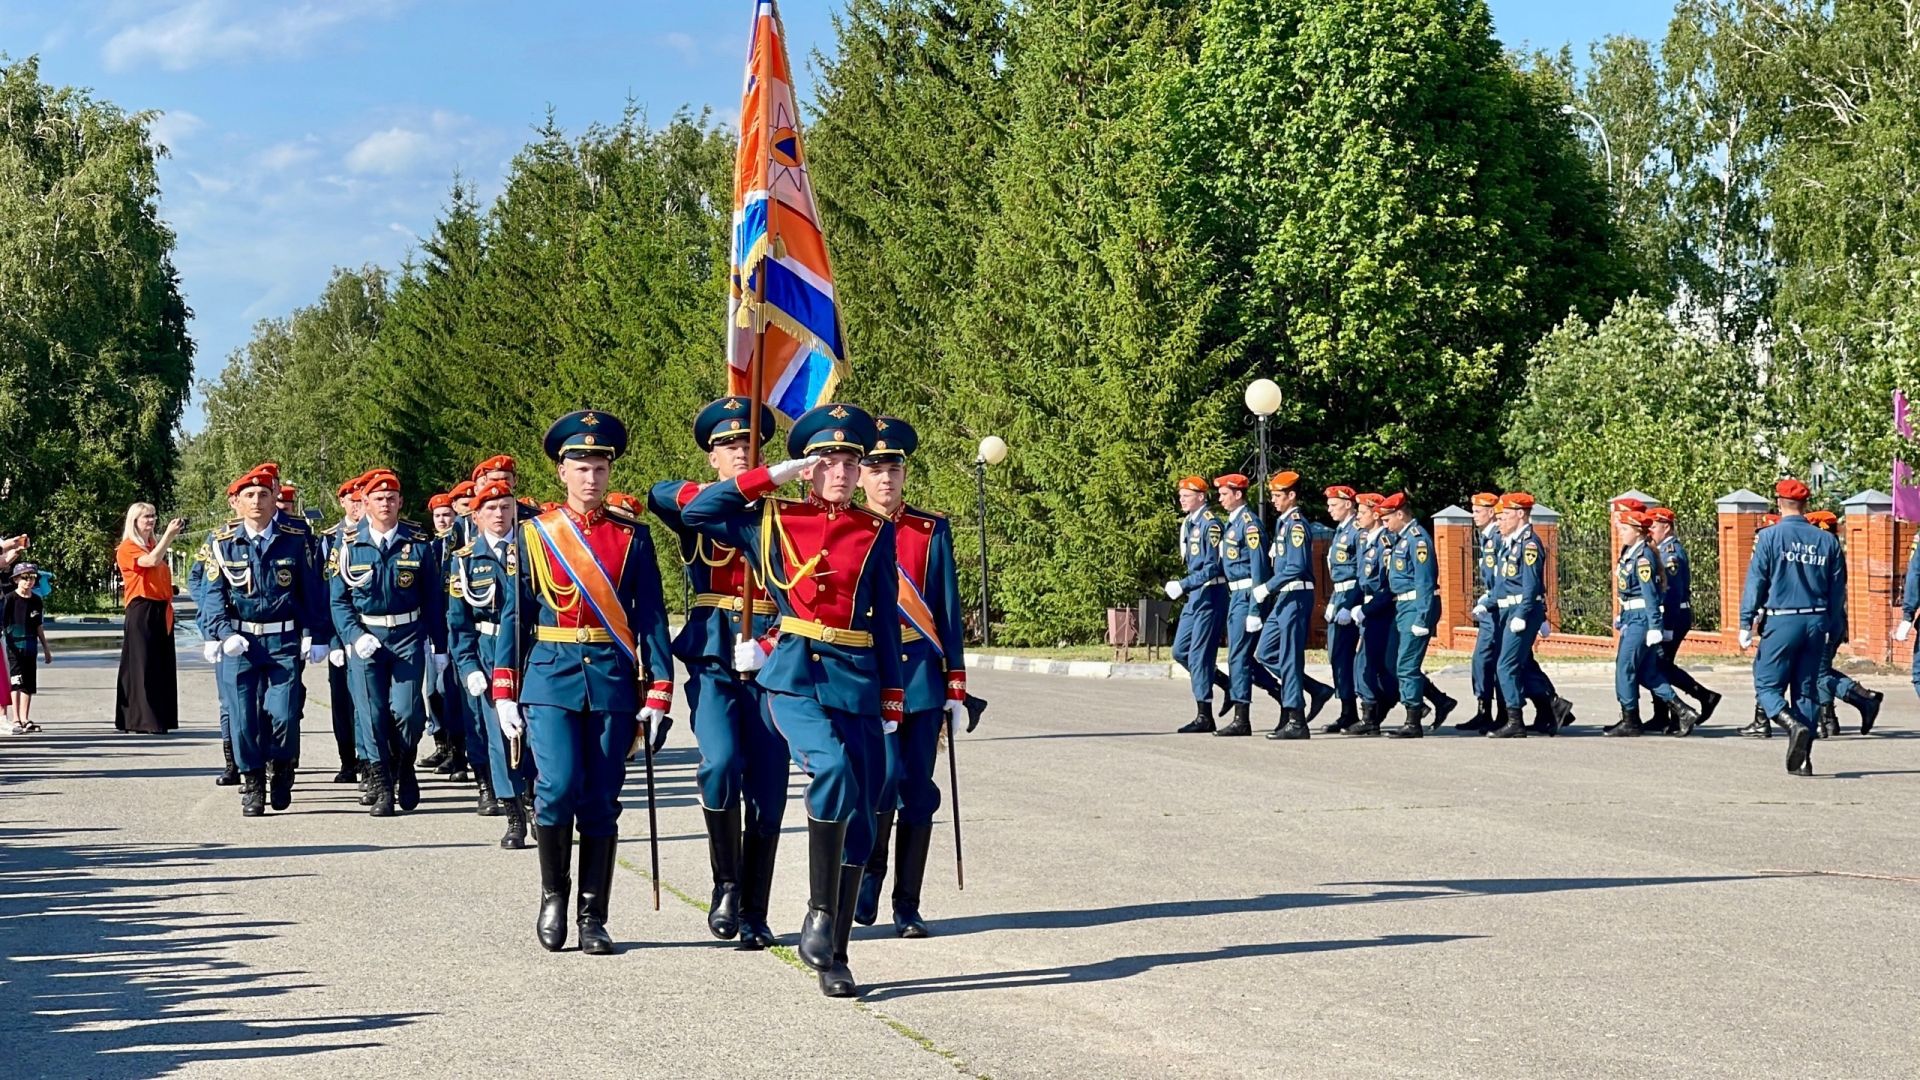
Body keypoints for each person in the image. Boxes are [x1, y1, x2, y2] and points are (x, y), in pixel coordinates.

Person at [683, 402, 902, 998]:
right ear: (811, 466)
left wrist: (892, 698)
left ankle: (836, 955)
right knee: (828, 770)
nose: (840, 469)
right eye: (828, 459)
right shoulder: (771, 520)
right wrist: (773, 474)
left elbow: (884, 619)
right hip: (795, 676)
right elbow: (702, 510)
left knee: (862, 815)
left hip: (856, 678)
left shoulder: (876, 530)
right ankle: (819, 913)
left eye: (849, 460)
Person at [491, 411, 674, 957]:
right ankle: (554, 895)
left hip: (614, 679)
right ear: (561, 473)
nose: (591, 477)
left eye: (599, 466)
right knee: (558, 785)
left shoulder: (632, 538)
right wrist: (505, 688)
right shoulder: (534, 535)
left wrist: (659, 689)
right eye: (580, 467)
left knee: (601, 797)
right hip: (550, 676)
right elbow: (515, 615)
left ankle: (594, 914)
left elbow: (652, 619)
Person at [648, 395, 788, 947]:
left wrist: (771, 642)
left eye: (747, 445)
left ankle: (756, 909)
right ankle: (726, 885)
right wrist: (740, 490)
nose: (738, 453)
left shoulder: (782, 516)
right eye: (728, 446)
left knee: (771, 788)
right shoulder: (702, 510)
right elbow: (662, 497)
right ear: (712, 458)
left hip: (771, 656)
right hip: (713, 655)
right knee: (722, 763)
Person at [852, 416, 970, 938]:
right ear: (858, 475)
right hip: (866, 674)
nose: (885, 478)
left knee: (915, 789)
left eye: (893, 468)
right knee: (876, 785)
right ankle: (869, 875)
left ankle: (908, 904)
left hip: (920, 675)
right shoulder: (845, 526)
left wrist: (955, 682)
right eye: (875, 469)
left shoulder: (929, 529)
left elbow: (947, 608)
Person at [200, 464, 331, 816]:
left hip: (283, 641)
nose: (256, 501)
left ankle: (283, 767)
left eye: (263, 495)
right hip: (240, 643)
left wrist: (317, 634)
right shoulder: (222, 543)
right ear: (236, 504)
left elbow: (312, 590)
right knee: (243, 719)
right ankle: (254, 782)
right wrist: (222, 633)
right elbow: (212, 594)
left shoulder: (295, 537)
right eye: (249, 496)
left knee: (284, 714)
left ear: (275, 499)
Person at [329, 469, 449, 816]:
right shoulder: (349, 545)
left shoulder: (417, 543)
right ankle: (382, 784)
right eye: (377, 498)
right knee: (371, 713)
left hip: (408, 637)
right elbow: (338, 599)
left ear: (400, 503)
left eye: (391, 498)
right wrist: (353, 636)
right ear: (365, 503)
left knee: (409, 712)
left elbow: (432, 599)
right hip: (367, 637)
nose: (385, 503)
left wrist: (439, 647)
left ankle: (404, 764)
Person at [448, 478, 533, 847]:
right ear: (477, 516)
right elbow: (458, 621)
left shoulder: (532, 550)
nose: (499, 515)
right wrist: (467, 667)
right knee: (500, 738)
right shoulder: (465, 560)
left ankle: (537, 801)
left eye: (506, 507)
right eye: (491, 509)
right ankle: (513, 813)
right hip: (487, 650)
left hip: (531, 650)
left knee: (535, 732)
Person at [1738, 478, 1843, 776]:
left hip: (1783, 618)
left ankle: (1791, 724)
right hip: (1817, 620)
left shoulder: (1770, 537)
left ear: (1779, 502)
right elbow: (1838, 591)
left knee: (1767, 684)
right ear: (1805, 504)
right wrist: (1832, 627)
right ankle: (1804, 760)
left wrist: (1746, 621)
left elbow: (1757, 581)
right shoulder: (1827, 540)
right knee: (1806, 690)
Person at [1603, 508, 1701, 737]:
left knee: (1625, 668)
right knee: (1648, 672)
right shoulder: (1634, 553)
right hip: (1633, 618)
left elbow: (1650, 596)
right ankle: (1684, 711)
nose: (1621, 532)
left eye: (1625, 529)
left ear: (1638, 531)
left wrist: (1657, 627)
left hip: (1641, 622)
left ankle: (1630, 719)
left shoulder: (1643, 557)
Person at [1252, 471, 1334, 739]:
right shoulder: (1283, 524)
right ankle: (1313, 689)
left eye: (1278, 496)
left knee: (1288, 656)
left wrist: (1268, 586)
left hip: (1296, 595)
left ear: (1292, 496)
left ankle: (1296, 720)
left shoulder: (1297, 524)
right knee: (1265, 652)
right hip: (1285, 597)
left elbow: (1297, 566)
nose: (1274, 501)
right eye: (1273, 495)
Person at [1485, 493, 1570, 738]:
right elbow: (1504, 582)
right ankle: (1552, 707)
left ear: (1520, 514)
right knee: (1521, 664)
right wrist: (1489, 602)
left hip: (1521, 611)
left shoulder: (1529, 544)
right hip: (1507, 609)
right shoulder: (1509, 542)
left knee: (1506, 665)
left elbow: (1531, 584)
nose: (1500, 521)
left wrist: (1523, 614)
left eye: (1505, 516)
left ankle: (1515, 720)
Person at [1214, 474, 1283, 737]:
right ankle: (1283, 695)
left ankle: (1242, 718)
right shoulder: (1232, 524)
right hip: (1237, 597)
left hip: (1247, 596)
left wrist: (1255, 608)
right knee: (1244, 659)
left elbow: (1259, 569)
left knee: (1238, 658)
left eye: (1224, 493)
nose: (1220, 498)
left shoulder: (1249, 524)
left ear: (1238, 494)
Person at [1644, 508, 1724, 733]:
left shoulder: (1671, 554)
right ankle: (1664, 715)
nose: (1650, 531)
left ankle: (1702, 697)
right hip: (1669, 616)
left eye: (1654, 526)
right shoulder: (1659, 550)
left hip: (1675, 616)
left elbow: (1672, 593)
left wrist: (1667, 627)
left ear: (1666, 527)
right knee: (1660, 664)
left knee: (1659, 664)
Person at [1806, 511, 1882, 737]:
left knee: (1817, 673)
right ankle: (1829, 720)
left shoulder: (1822, 555)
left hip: (1825, 621)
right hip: (1833, 620)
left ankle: (1863, 699)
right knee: (1821, 670)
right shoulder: (1832, 552)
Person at [115, 502, 183, 734]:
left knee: (161, 663)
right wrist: (169, 536)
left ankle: (161, 716)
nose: (151, 520)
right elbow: (150, 562)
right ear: (135, 520)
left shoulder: (152, 545)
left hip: (161, 609)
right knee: (142, 664)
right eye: (146, 517)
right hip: (141, 608)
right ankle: (143, 719)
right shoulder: (128, 548)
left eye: (153, 516)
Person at [1168, 477, 1228, 733]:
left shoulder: (1210, 524)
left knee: (1199, 655)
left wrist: (1184, 584)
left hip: (1211, 593)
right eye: (1181, 495)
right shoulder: (1189, 524)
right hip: (1196, 595)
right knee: (1180, 651)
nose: (1182, 499)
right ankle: (1227, 684)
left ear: (1202, 497)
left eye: (1187, 495)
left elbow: (1214, 566)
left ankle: (1205, 715)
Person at [321, 476, 368, 787]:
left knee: (371, 702)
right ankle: (347, 760)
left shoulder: (372, 535)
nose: (356, 506)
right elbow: (325, 593)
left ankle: (370, 761)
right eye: (352, 501)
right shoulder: (329, 539)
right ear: (342, 503)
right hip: (341, 632)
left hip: (375, 632)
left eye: (361, 501)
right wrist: (332, 639)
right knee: (343, 700)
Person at [1378, 494, 1438, 738]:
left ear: (1400, 514)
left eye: (1387, 519)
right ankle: (1421, 706)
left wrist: (1423, 618)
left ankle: (1413, 719)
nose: (1384, 524)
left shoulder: (1417, 540)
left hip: (1415, 605)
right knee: (1393, 661)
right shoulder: (1400, 540)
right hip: (1403, 606)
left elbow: (1425, 581)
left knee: (1407, 665)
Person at [1318, 486, 1363, 733]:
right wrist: (1335, 601)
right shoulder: (1340, 531)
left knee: (1352, 657)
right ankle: (1347, 710)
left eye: (1334, 504)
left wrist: (1347, 604)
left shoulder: (1357, 531)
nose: (1329, 508)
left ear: (1348, 504)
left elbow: (1360, 574)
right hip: (1341, 594)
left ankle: (1359, 710)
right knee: (1337, 656)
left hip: (1354, 597)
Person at [1457, 493, 1503, 733]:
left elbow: (1504, 578)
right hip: (1491, 607)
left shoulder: (1497, 537)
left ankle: (1502, 714)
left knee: (1492, 660)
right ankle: (1485, 711)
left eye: (1477, 510)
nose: (1474, 514)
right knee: (1484, 661)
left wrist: (1489, 600)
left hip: (1497, 609)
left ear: (1491, 512)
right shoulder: (1487, 538)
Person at [5, 563, 50, 734]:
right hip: (14, 645)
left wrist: (46, 648)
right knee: (16, 681)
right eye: (25, 578)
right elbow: (4, 623)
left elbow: (38, 625)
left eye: (32, 578)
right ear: (16, 579)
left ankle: (25, 717)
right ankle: (15, 718)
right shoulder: (10, 599)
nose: (29, 581)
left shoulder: (36, 600)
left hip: (30, 645)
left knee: (29, 684)